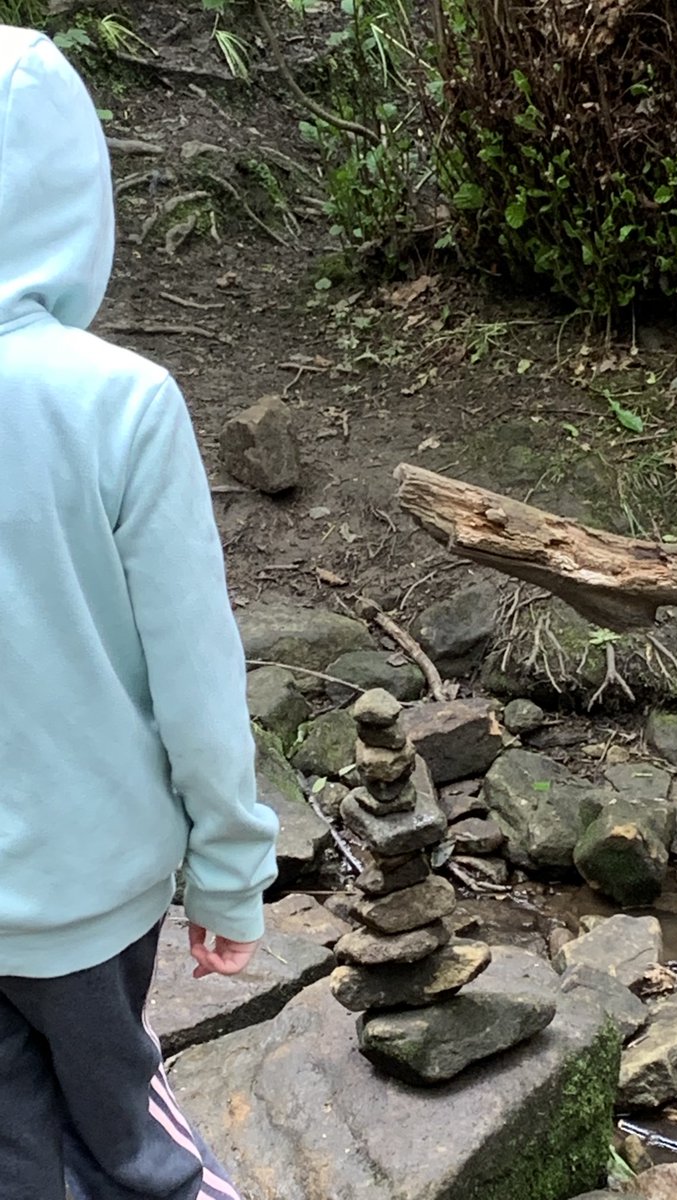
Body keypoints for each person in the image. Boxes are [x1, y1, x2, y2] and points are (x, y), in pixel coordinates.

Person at [0, 26, 279, 1200]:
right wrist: (230, 874)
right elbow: (197, 683)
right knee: (134, 1146)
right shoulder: (121, 403)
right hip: (86, 894)